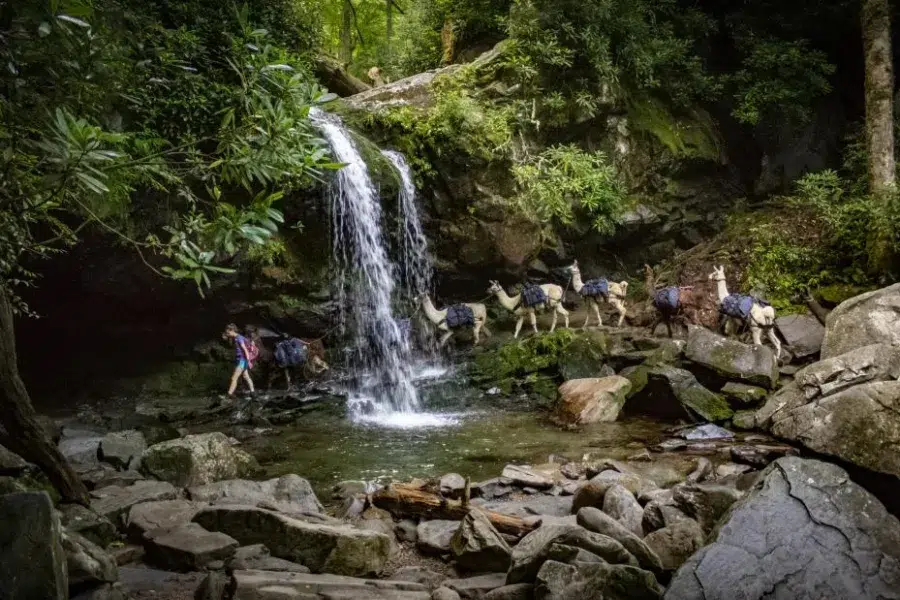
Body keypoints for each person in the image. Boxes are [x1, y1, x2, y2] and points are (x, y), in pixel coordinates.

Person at [224, 323, 255, 397]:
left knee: (234, 378)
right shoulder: (235, 338)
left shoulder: (239, 338)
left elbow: (245, 350)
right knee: (246, 376)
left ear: (232, 330)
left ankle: (229, 394)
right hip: (240, 360)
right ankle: (253, 392)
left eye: (228, 332)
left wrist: (248, 361)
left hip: (242, 361)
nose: (227, 333)